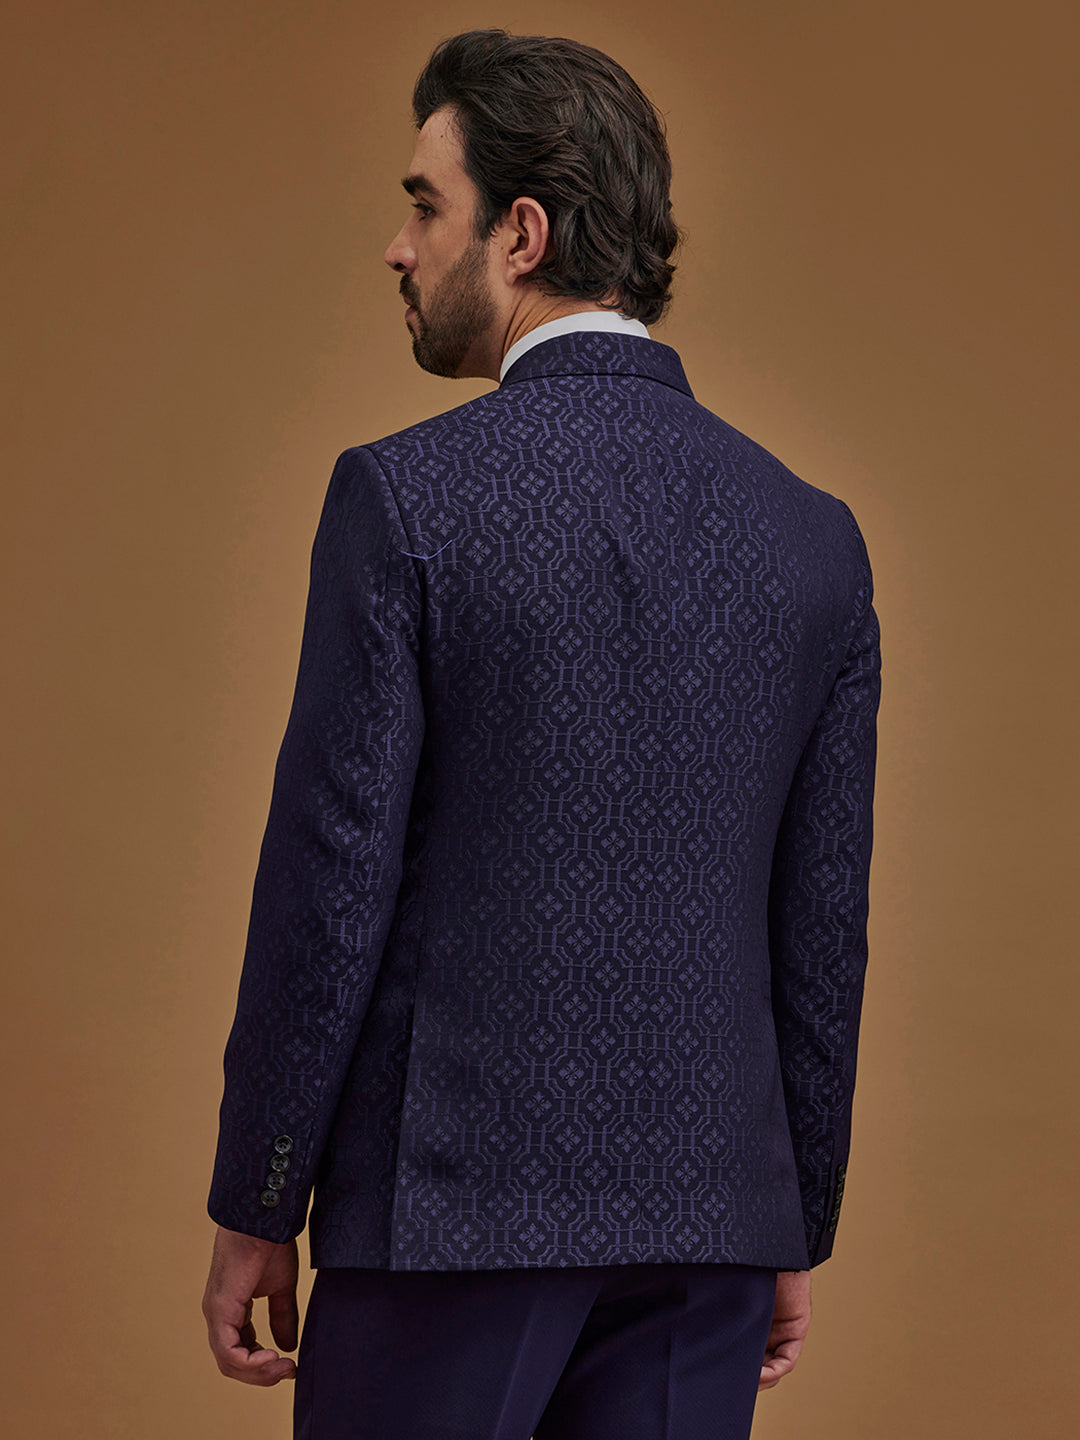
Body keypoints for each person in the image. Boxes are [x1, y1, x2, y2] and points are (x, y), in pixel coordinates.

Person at [202, 28, 882, 1440]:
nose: (398, 248)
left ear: (521, 234)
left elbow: (329, 888)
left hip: (448, 1219)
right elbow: (821, 924)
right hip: (709, 1229)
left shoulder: (407, 500)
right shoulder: (814, 539)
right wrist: (789, 1216)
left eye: (423, 204)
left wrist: (260, 1195)